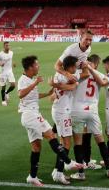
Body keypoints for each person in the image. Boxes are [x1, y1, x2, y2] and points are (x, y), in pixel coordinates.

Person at [18, 55, 84, 186]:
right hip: (31, 115)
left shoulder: (30, 79)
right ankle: (68, 162)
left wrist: (48, 93)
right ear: (30, 67)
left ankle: (32, 176)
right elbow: (20, 94)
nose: (39, 66)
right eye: (36, 65)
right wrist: (36, 83)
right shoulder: (24, 80)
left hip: (33, 113)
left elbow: (33, 96)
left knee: (36, 146)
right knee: (51, 135)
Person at [70, 54, 109, 180]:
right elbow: (105, 83)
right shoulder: (100, 75)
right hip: (92, 111)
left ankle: (81, 173)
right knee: (100, 140)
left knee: (78, 142)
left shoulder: (79, 73)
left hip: (77, 111)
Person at [50, 56, 90, 183]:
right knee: (66, 144)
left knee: (63, 142)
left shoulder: (59, 73)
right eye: (75, 66)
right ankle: (59, 173)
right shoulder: (69, 76)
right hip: (62, 112)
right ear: (70, 67)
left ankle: (57, 170)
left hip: (60, 110)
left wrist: (55, 85)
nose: (76, 68)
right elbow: (73, 85)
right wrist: (83, 68)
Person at [0, 41, 16, 106]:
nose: (8, 47)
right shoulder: (0, 54)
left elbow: (10, 60)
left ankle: (7, 92)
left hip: (9, 71)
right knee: (3, 87)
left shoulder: (11, 53)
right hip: (2, 72)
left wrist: (13, 64)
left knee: (13, 85)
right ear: (4, 46)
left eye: (9, 45)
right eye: (6, 45)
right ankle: (3, 100)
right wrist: (0, 64)